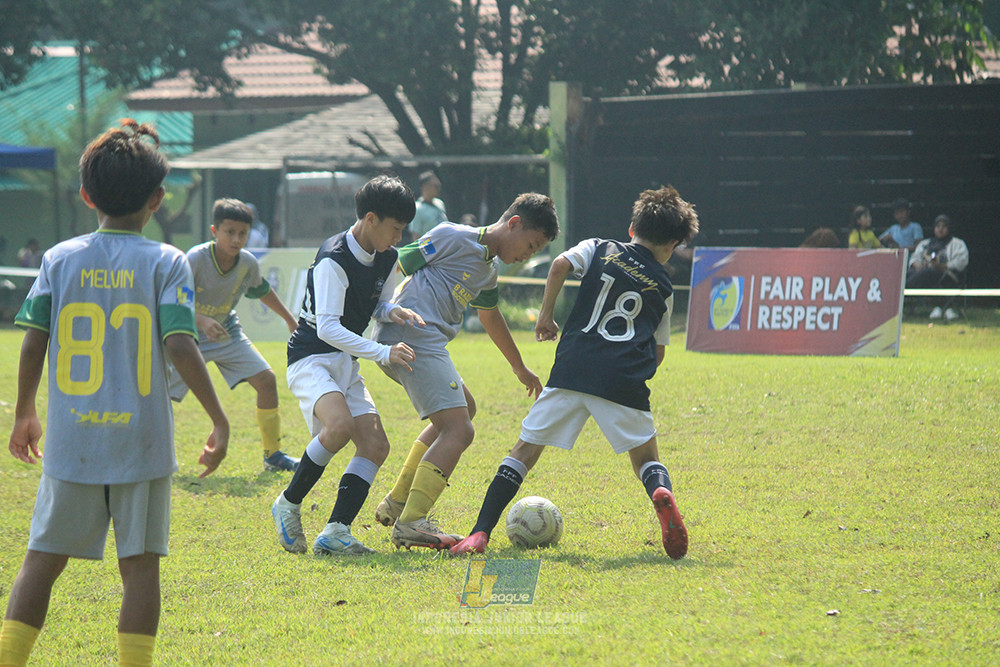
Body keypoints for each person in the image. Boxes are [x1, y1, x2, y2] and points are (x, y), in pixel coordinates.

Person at [0, 119, 229, 667]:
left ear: (85, 195)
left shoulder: (59, 257)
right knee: (141, 568)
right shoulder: (167, 261)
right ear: (157, 199)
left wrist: (26, 409)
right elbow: (180, 343)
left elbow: (34, 342)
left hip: (72, 441)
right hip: (141, 443)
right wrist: (218, 418)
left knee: (41, 561)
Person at [449, 185, 699, 560]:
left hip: (573, 368)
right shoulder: (664, 286)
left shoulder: (601, 247)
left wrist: (547, 315)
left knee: (524, 451)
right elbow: (658, 353)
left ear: (632, 228)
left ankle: (479, 533)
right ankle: (660, 494)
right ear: (673, 244)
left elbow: (559, 264)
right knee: (647, 460)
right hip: (624, 377)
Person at [371, 193, 560, 550]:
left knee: (464, 411)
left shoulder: (488, 269)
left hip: (424, 343)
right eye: (531, 245)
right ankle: (412, 523)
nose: (527, 256)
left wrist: (519, 367)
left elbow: (489, 316)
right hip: (408, 337)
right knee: (459, 429)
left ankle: (398, 503)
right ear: (514, 223)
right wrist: (380, 309)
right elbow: (396, 264)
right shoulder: (452, 236)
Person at [270, 176, 426, 556]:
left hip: (344, 359)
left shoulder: (388, 257)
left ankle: (337, 531)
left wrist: (395, 310)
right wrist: (382, 352)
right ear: (370, 219)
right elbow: (327, 327)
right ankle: (287, 503)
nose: (399, 237)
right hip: (310, 357)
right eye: (395, 228)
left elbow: (378, 304)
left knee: (375, 445)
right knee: (338, 426)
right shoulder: (333, 258)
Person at [167, 198, 301, 473]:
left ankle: (273, 456)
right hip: (188, 337)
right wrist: (202, 321)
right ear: (215, 231)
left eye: (243, 233)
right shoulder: (194, 259)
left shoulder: (247, 264)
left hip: (227, 332)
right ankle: (161, 457)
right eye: (230, 232)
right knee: (160, 394)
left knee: (266, 380)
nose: (237, 239)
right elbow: (175, 303)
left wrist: (289, 319)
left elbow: (262, 290)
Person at [906, 214, 969, 321]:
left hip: (948, 275)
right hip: (922, 273)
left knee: (928, 272)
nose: (940, 229)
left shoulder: (957, 244)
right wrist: (917, 265)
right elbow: (915, 257)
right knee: (907, 273)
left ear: (949, 228)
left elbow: (962, 262)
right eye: (938, 226)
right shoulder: (925, 243)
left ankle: (904, 291)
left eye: (944, 226)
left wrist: (943, 266)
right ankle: (897, 296)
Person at [407, 170, 448, 242]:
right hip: (430, 250)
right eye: (436, 186)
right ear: (425, 187)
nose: (439, 189)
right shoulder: (418, 208)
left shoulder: (440, 203)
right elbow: (416, 237)